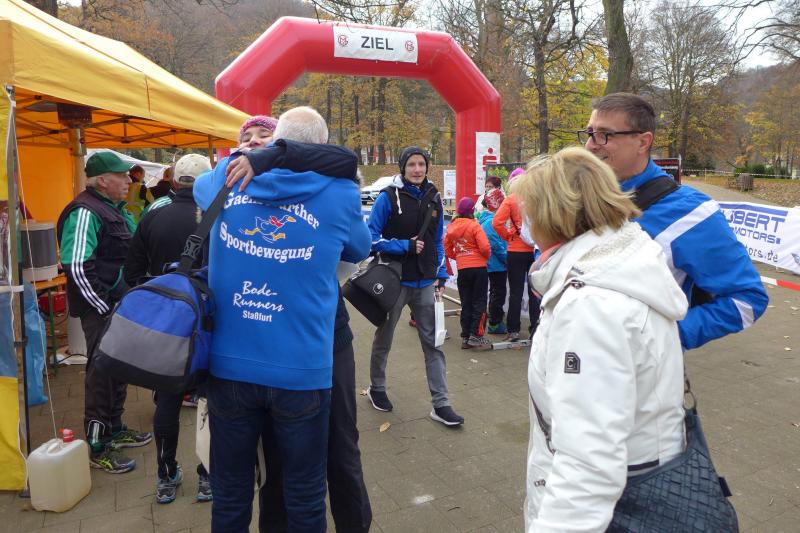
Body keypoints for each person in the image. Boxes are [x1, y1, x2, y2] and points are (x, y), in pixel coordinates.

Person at [194, 106, 371, 532]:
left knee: (230, 493)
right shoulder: (341, 193)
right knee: (305, 494)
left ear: (277, 144)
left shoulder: (223, 179)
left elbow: (196, 186)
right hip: (302, 372)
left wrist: (254, 158)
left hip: (231, 369)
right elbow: (360, 247)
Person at [516, 147, 688, 531]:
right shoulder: (623, 263)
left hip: (621, 506)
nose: (526, 222)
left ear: (552, 214)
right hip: (648, 476)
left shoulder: (590, 304)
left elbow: (588, 461)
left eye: (529, 210)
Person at [582, 93, 768, 349]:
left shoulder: (692, 213)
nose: (590, 145)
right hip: (567, 362)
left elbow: (748, 300)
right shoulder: (577, 197)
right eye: (589, 133)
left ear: (643, 142)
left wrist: (664, 338)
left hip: (639, 370)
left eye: (605, 134)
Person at [123, 153, 213, 504]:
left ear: (174, 181)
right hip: (209, 322)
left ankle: (165, 475)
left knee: (167, 398)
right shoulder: (220, 215)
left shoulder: (153, 214)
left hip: (167, 324)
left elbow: (132, 273)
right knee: (209, 399)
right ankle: (208, 476)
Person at [56, 151, 152, 473]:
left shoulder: (113, 209)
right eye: (121, 175)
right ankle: (98, 446)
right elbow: (76, 266)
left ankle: (115, 428)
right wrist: (103, 306)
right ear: (101, 180)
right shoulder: (85, 211)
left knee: (118, 367)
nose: (128, 180)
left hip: (117, 306)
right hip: (100, 309)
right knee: (100, 374)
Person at [366, 146, 464, 427]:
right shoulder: (388, 197)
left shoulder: (434, 196)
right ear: (403, 167)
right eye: (411, 164)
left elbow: (437, 240)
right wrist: (403, 246)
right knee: (384, 339)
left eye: (421, 164)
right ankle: (377, 387)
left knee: (434, 345)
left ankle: (441, 404)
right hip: (394, 281)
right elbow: (369, 238)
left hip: (425, 283)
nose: (417, 169)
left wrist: (441, 273)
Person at [492, 168, 540, 342]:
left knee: (516, 292)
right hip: (536, 250)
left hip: (515, 250)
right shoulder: (536, 198)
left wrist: (508, 236)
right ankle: (536, 328)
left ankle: (513, 330)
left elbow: (497, 222)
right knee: (535, 292)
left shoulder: (511, 199)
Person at [444, 196, 491, 350]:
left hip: (463, 269)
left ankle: (465, 336)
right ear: (472, 211)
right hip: (478, 267)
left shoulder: (451, 227)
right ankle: (476, 335)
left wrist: (459, 256)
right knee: (479, 302)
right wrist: (483, 257)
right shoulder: (474, 226)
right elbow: (485, 247)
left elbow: (446, 249)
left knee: (466, 302)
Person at [476, 177, 508, 335]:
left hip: (492, 263)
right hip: (496, 265)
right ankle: (495, 323)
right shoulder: (491, 222)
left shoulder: (486, 220)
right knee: (497, 293)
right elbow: (495, 245)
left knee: (494, 292)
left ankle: (494, 319)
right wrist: (507, 259)